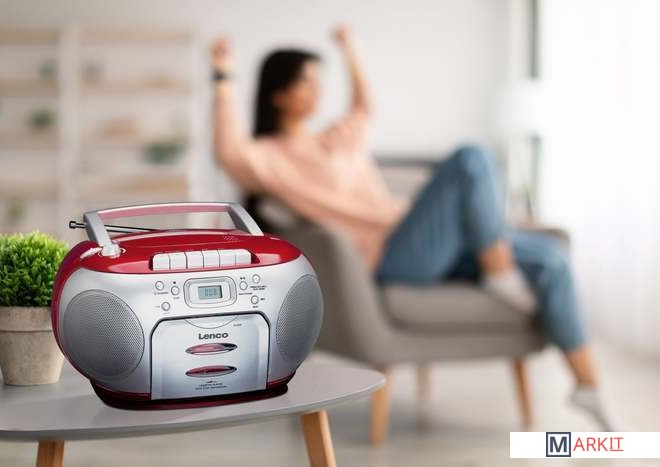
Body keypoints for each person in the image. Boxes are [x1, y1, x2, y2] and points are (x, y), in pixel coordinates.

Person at [211, 26, 616, 430]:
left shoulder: (337, 138)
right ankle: (499, 272)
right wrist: (223, 75)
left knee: (551, 260)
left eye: (321, 81)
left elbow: (364, 107)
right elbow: (229, 150)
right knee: (471, 158)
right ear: (278, 94)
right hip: (395, 255)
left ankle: (587, 387)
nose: (318, 91)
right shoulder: (269, 158)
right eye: (306, 82)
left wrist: (350, 49)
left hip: (424, 242)